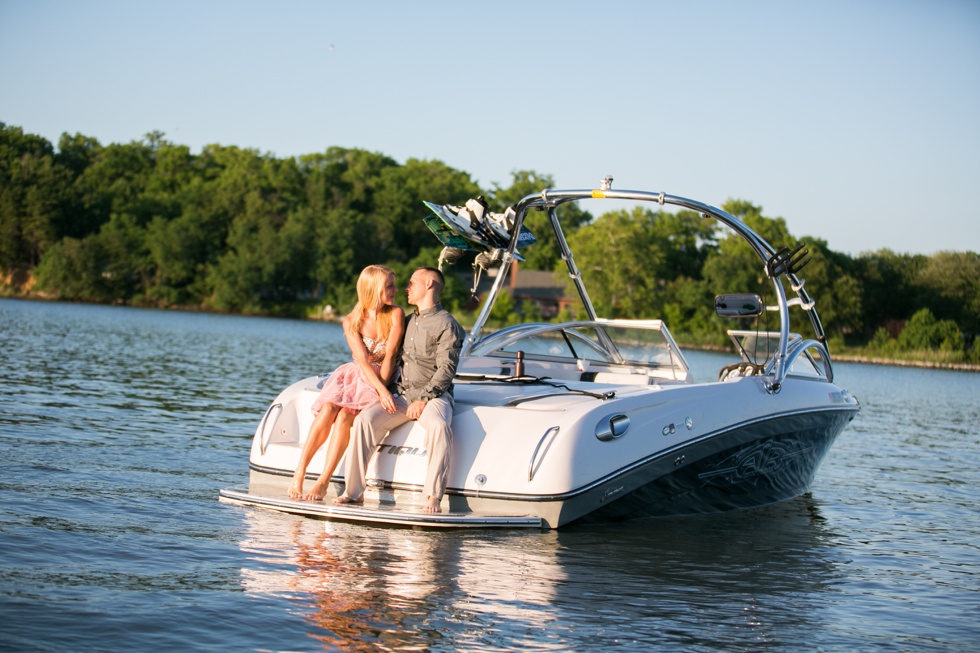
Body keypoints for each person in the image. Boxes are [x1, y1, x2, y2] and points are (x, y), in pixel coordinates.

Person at [334, 266, 464, 513]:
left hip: (434, 396)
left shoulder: (449, 325)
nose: (406, 287)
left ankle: (433, 496)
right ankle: (353, 493)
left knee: (438, 426)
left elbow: (447, 369)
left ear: (428, 285)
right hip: (402, 395)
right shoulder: (407, 320)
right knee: (364, 421)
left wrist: (424, 399)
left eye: (412, 283)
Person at [288, 265, 405, 501]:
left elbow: (391, 354)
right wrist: (380, 390)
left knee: (344, 417)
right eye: (389, 285)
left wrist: (381, 390)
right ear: (372, 288)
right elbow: (361, 360)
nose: (395, 289)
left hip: (383, 375)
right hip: (355, 375)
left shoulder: (395, 314)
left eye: (394, 284)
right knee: (329, 409)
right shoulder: (352, 320)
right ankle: (299, 471)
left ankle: (323, 481)